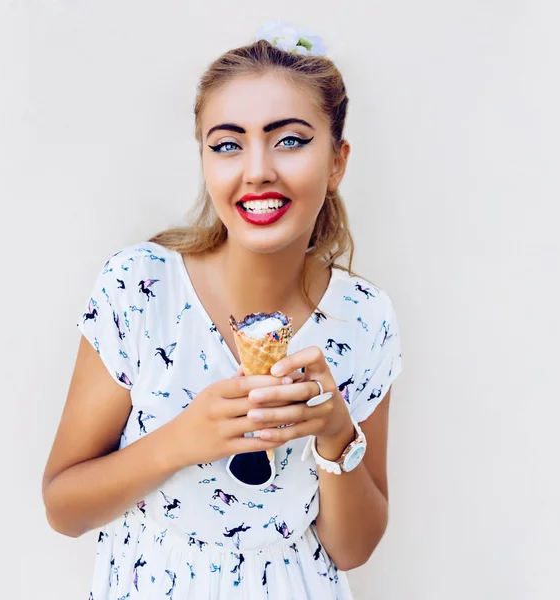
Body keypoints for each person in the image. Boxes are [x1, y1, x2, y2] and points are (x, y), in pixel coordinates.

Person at [42, 21, 403, 600]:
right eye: (228, 143)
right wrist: (184, 439)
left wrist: (336, 432)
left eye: (289, 139)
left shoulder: (364, 319)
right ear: (206, 159)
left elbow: (353, 549)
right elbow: (64, 508)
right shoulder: (140, 288)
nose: (257, 168)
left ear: (337, 161)